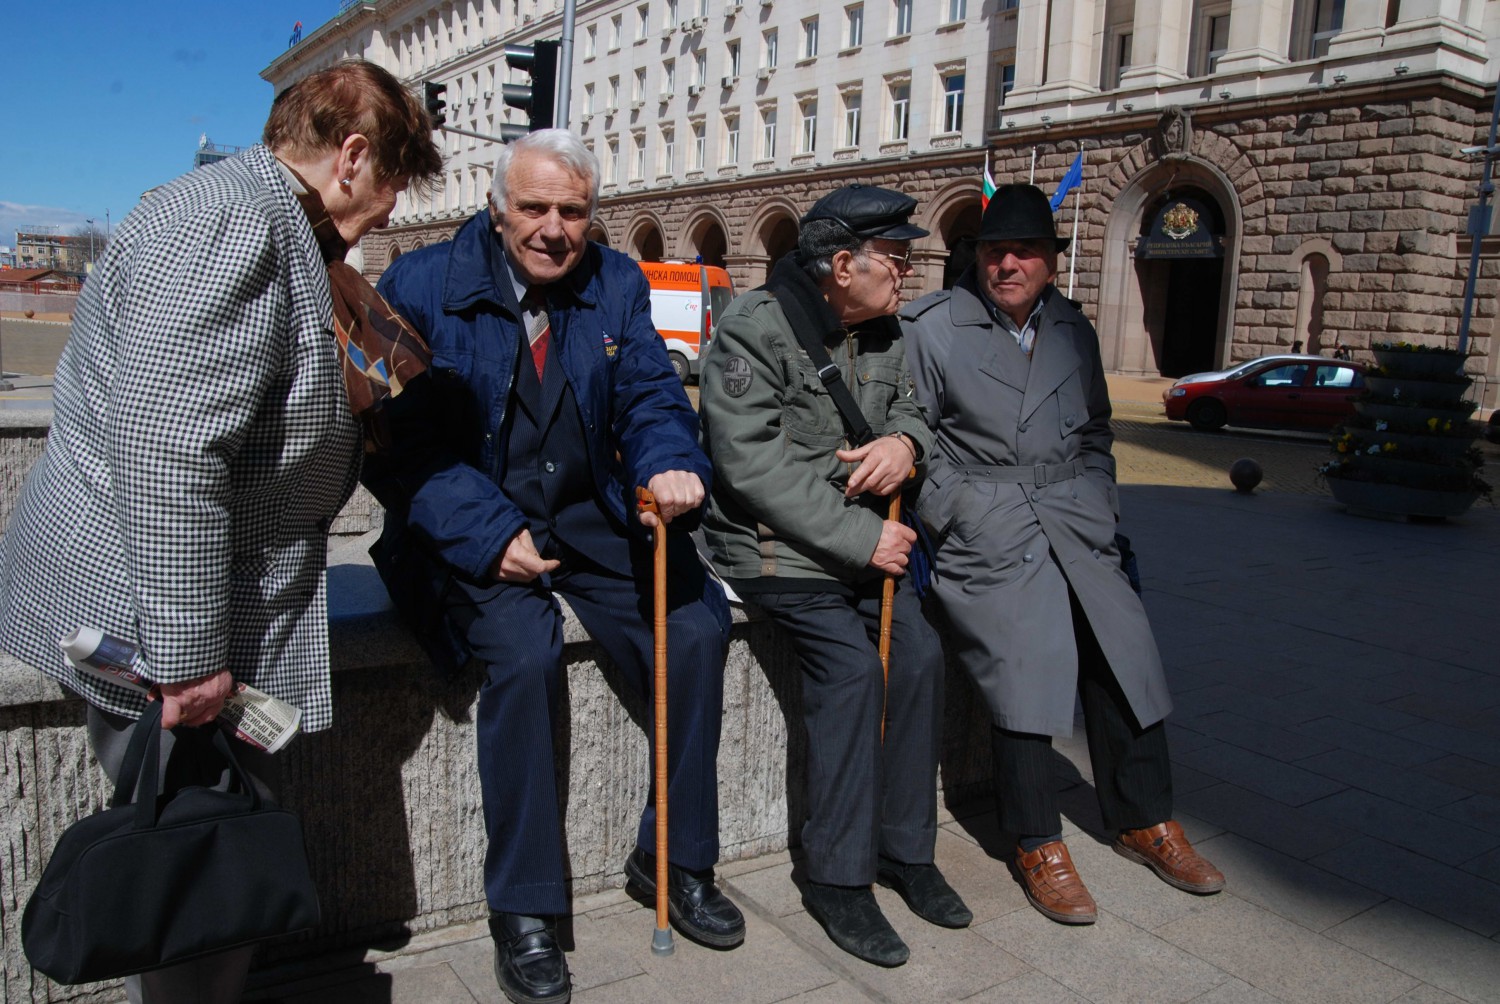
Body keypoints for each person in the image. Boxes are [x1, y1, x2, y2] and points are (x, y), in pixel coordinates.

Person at [0, 59, 442, 1002]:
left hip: (178, 608)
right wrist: (190, 655)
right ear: (353, 156)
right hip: (156, 624)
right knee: (191, 857)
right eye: (395, 183)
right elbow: (169, 448)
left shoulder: (262, 214)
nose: (393, 210)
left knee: (201, 842)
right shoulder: (230, 222)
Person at [365, 129, 741, 1004]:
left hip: (591, 516)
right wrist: (485, 534)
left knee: (695, 625)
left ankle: (675, 855)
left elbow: (650, 393)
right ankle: (525, 910)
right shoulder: (420, 286)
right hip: (474, 529)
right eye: (534, 208)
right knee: (526, 657)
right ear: (497, 209)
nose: (554, 229)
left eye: (573, 211)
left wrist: (664, 460)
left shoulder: (617, 283)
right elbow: (397, 449)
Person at [900, 184, 1224, 925]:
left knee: (1125, 653)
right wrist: (960, 514)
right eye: (993, 251)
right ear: (977, 257)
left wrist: (1098, 498)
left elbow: (1097, 431)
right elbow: (910, 435)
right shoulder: (932, 327)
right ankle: (1037, 841)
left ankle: (1146, 819)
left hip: (1074, 520)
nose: (1006, 263)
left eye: (1024, 252)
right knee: (1025, 665)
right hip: (987, 526)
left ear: (1051, 262)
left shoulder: (1073, 329)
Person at [698, 185, 969, 967]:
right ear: (842, 264)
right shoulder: (754, 328)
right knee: (853, 673)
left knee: (918, 658)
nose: (907, 271)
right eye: (896, 257)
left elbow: (915, 412)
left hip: (860, 547)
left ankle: (905, 850)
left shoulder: (883, 329)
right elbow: (750, 469)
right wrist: (861, 537)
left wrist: (904, 450)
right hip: (777, 550)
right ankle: (836, 878)